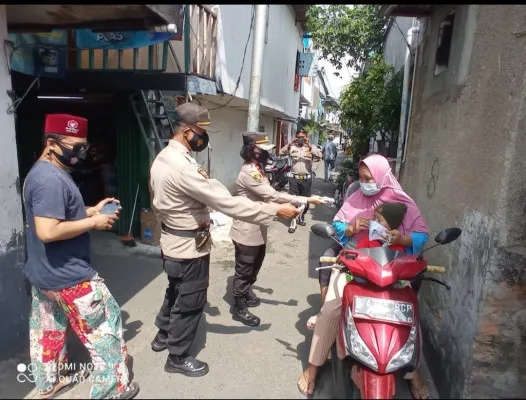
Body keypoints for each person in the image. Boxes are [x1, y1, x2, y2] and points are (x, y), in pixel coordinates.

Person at [149, 104, 300, 378]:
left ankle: (162, 335)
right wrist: (275, 210)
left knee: (174, 289)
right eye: (201, 133)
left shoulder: (162, 157)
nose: (203, 139)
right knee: (191, 300)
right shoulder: (184, 168)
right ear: (187, 131)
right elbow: (229, 204)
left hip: (171, 239)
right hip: (188, 246)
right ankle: (178, 355)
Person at [23, 114, 138, 400]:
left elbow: (57, 213)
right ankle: (113, 390)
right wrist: (94, 223)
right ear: (51, 143)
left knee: (48, 331)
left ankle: (49, 383)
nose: (81, 152)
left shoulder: (46, 172)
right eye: (75, 146)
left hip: (45, 275)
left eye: (83, 146)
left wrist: (92, 210)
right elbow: (48, 230)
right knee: (105, 328)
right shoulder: (50, 179)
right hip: (70, 276)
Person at [297, 154, 429, 399]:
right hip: (355, 269)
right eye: (361, 177)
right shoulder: (356, 198)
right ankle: (313, 368)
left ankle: (413, 374)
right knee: (329, 312)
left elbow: (422, 236)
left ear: (382, 176)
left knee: (409, 320)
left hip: (391, 271)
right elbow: (337, 226)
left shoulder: (402, 202)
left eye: (369, 178)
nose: (365, 182)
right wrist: (351, 228)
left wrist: (404, 239)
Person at [229, 132, 327, 327]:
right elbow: (273, 196)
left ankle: (247, 293)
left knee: (255, 264)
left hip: (258, 226)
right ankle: (239, 306)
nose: (267, 153)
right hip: (246, 229)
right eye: (263, 150)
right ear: (252, 151)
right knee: (244, 268)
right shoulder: (250, 172)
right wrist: (306, 199)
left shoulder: (258, 168)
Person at [279, 129, 322, 233]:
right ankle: (293, 221)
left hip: (306, 179)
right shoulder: (291, 147)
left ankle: (302, 215)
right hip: (294, 178)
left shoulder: (311, 148)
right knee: (294, 200)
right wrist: (290, 143)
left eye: (303, 137)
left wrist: (310, 146)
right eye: (299, 137)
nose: (301, 139)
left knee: (305, 201)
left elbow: (320, 156)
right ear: (296, 137)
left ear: (306, 137)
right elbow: (280, 153)